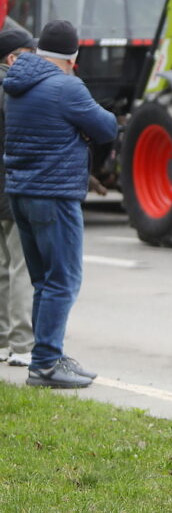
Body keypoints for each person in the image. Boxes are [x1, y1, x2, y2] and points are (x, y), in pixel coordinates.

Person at [3, 20, 117, 388]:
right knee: (63, 280)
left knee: (42, 281)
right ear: (73, 55)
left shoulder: (16, 84)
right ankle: (47, 363)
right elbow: (107, 127)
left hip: (20, 194)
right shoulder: (67, 88)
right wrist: (80, 130)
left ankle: (46, 354)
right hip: (55, 196)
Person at [0, 29, 37, 369]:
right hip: (10, 189)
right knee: (21, 267)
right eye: (29, 52)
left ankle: (0, 340)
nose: (35, 59)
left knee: (1, 266)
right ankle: (22, 344)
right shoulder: (12, 91)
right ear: (12, 58)